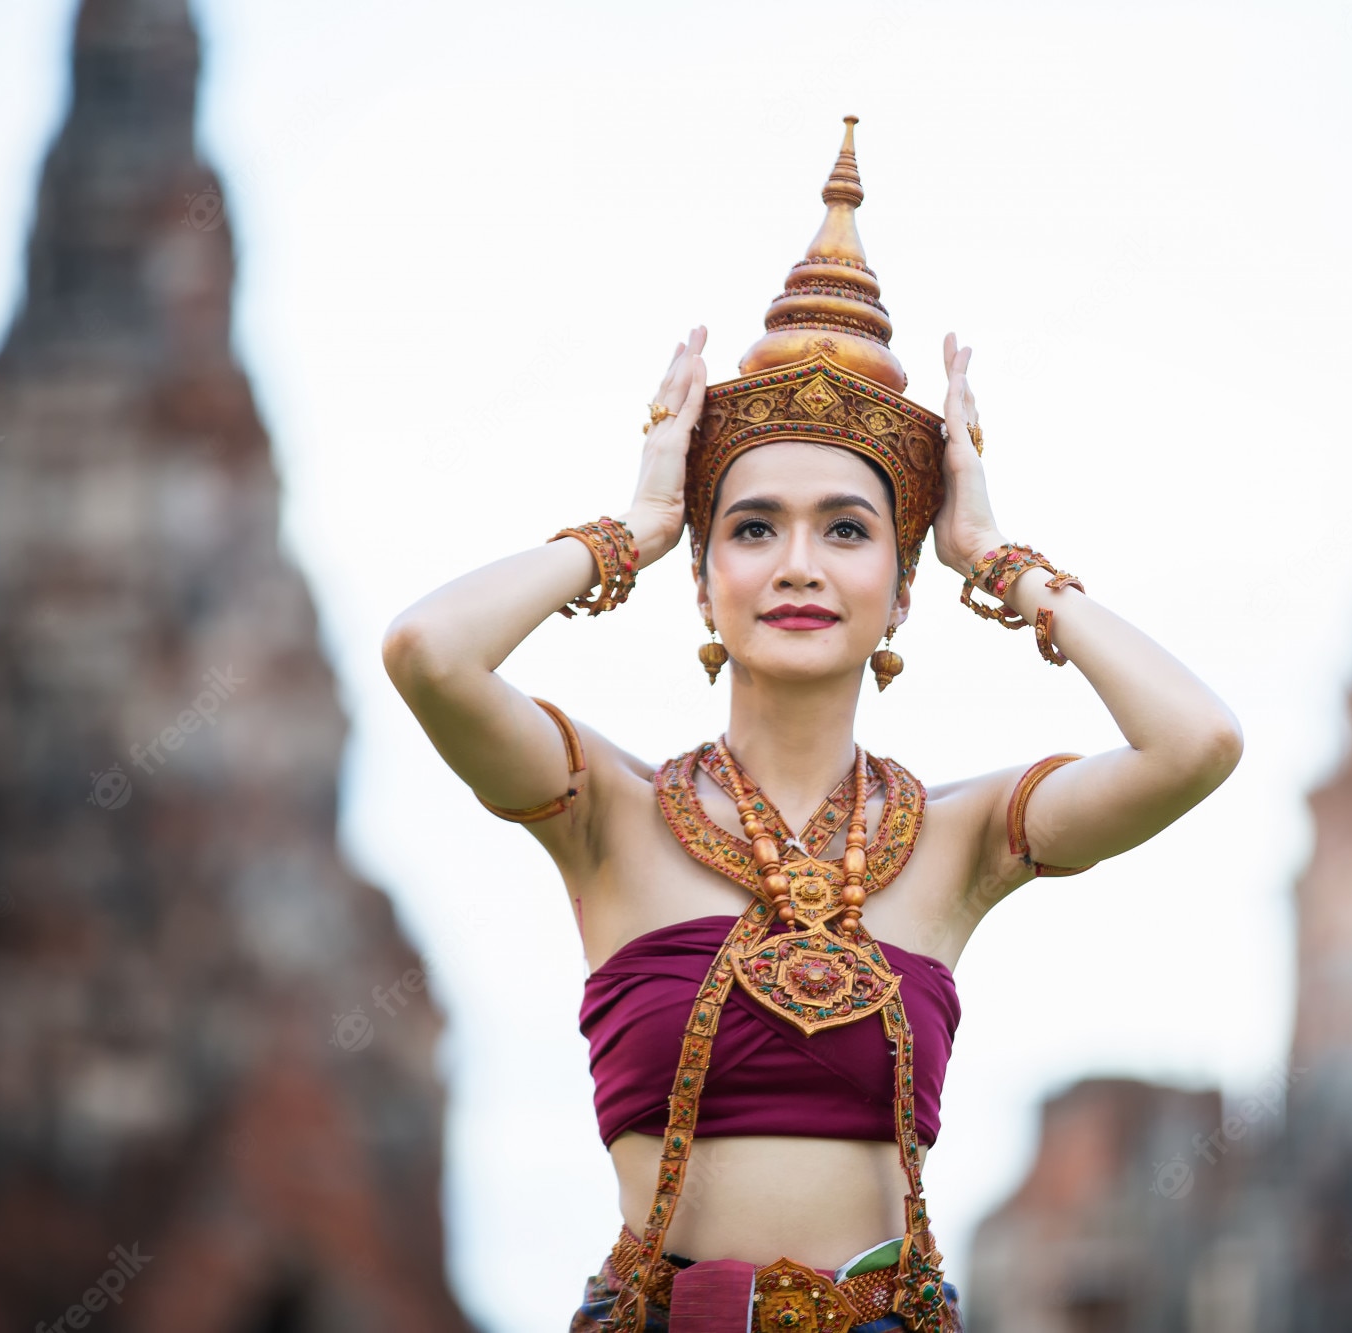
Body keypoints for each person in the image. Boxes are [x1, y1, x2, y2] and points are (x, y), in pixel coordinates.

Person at [381, 117, 1243, 1333]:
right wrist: (627, 529)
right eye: (750, 526)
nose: (796, 564)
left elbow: (1195, 743)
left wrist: (1002, 564)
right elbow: (429, 652)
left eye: (846, 528)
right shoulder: (604, 814)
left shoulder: (954, 841)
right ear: (703, 576)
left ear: (899, 586)